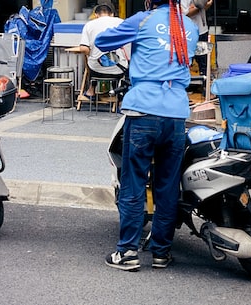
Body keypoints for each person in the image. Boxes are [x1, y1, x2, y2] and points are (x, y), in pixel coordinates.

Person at [95, 0, 198, 271]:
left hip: (143, 111)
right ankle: (161, 253)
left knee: (134, 183)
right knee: (167, 186)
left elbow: (104, 41)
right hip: (176, 114)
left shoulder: (142, 20)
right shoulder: (189, 25)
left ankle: (127, 252)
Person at [79, 1, 129, 97]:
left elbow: (83, 48)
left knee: (93, 60)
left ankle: (91, 90)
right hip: (118, 70)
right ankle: (120, 96)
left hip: (96, 70)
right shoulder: (121, 22)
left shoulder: (89, 25)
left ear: (96, 15)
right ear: (112, 14)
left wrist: (92, 52)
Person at [181, 0, 213, 77]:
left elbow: (206, 5)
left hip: (202, 30)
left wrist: (202, 5)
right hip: (187, 32)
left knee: (203, 62)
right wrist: (200, 6)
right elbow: (184, 14)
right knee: (186, 61)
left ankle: (205, 83)